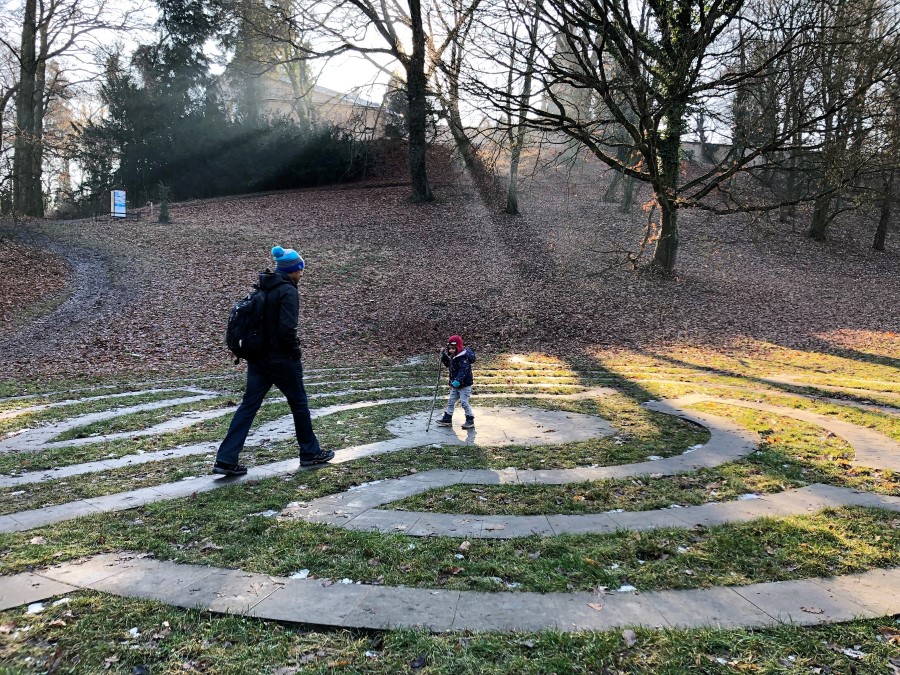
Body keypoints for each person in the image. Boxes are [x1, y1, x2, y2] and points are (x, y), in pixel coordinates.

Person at [213, 245, 334, 476]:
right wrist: (294, 353)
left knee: (248, 407)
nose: (302, 274)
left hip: (258, 360)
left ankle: (225, 459)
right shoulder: (288, 291)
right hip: (281, 359)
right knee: (299, 403)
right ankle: (310, 453)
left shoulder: (264, 287)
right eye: (300, 270)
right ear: (292, 270)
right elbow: (287, 329)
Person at [437, 334, 476, 429]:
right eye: (449, 349)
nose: (451, 351)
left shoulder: (463, 358)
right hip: (455, 385)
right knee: (451, 401)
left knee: (464, 402)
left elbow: (464, 371)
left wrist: (458, 381)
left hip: (464, 385)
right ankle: (447, 419)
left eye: (453, 349)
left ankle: (470, 419)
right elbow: (448, 364)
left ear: (458, 348)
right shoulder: (453, 357)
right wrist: (444, 356)